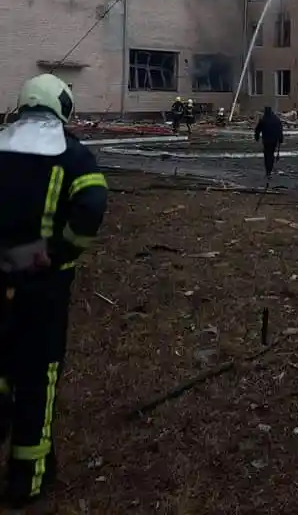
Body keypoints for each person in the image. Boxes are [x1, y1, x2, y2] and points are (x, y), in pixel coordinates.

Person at [0, 73, 108, 508]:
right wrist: (62, 252)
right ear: (62, 107)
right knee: (39, 377)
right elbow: (93, 202)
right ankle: (29, 478)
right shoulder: (70, 155)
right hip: (41, 286)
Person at [254, 107, 284, 181]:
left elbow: (257, 130)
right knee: (271, 154)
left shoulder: (264, 120)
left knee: (267, 155)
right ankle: (269, 170)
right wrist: (280, 140)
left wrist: (257, 137)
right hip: (274, 141)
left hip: (266, 141)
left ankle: (268, 171)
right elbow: (280, 130)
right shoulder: (276, 120)